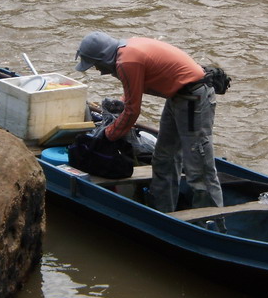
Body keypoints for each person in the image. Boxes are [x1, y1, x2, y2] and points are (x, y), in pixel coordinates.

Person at [74, 31, 223, 214]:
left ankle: (210, 222)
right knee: (164, 159)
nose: (97, 69)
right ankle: (162, 212)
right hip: (177, 96)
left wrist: (107, 135)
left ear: (104, 57)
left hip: (194, 99)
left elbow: (132, 111)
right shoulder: (126, 51)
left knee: (199, 167)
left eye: (95, 64)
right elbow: (130, 97)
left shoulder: (126, 61)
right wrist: (119, 106)